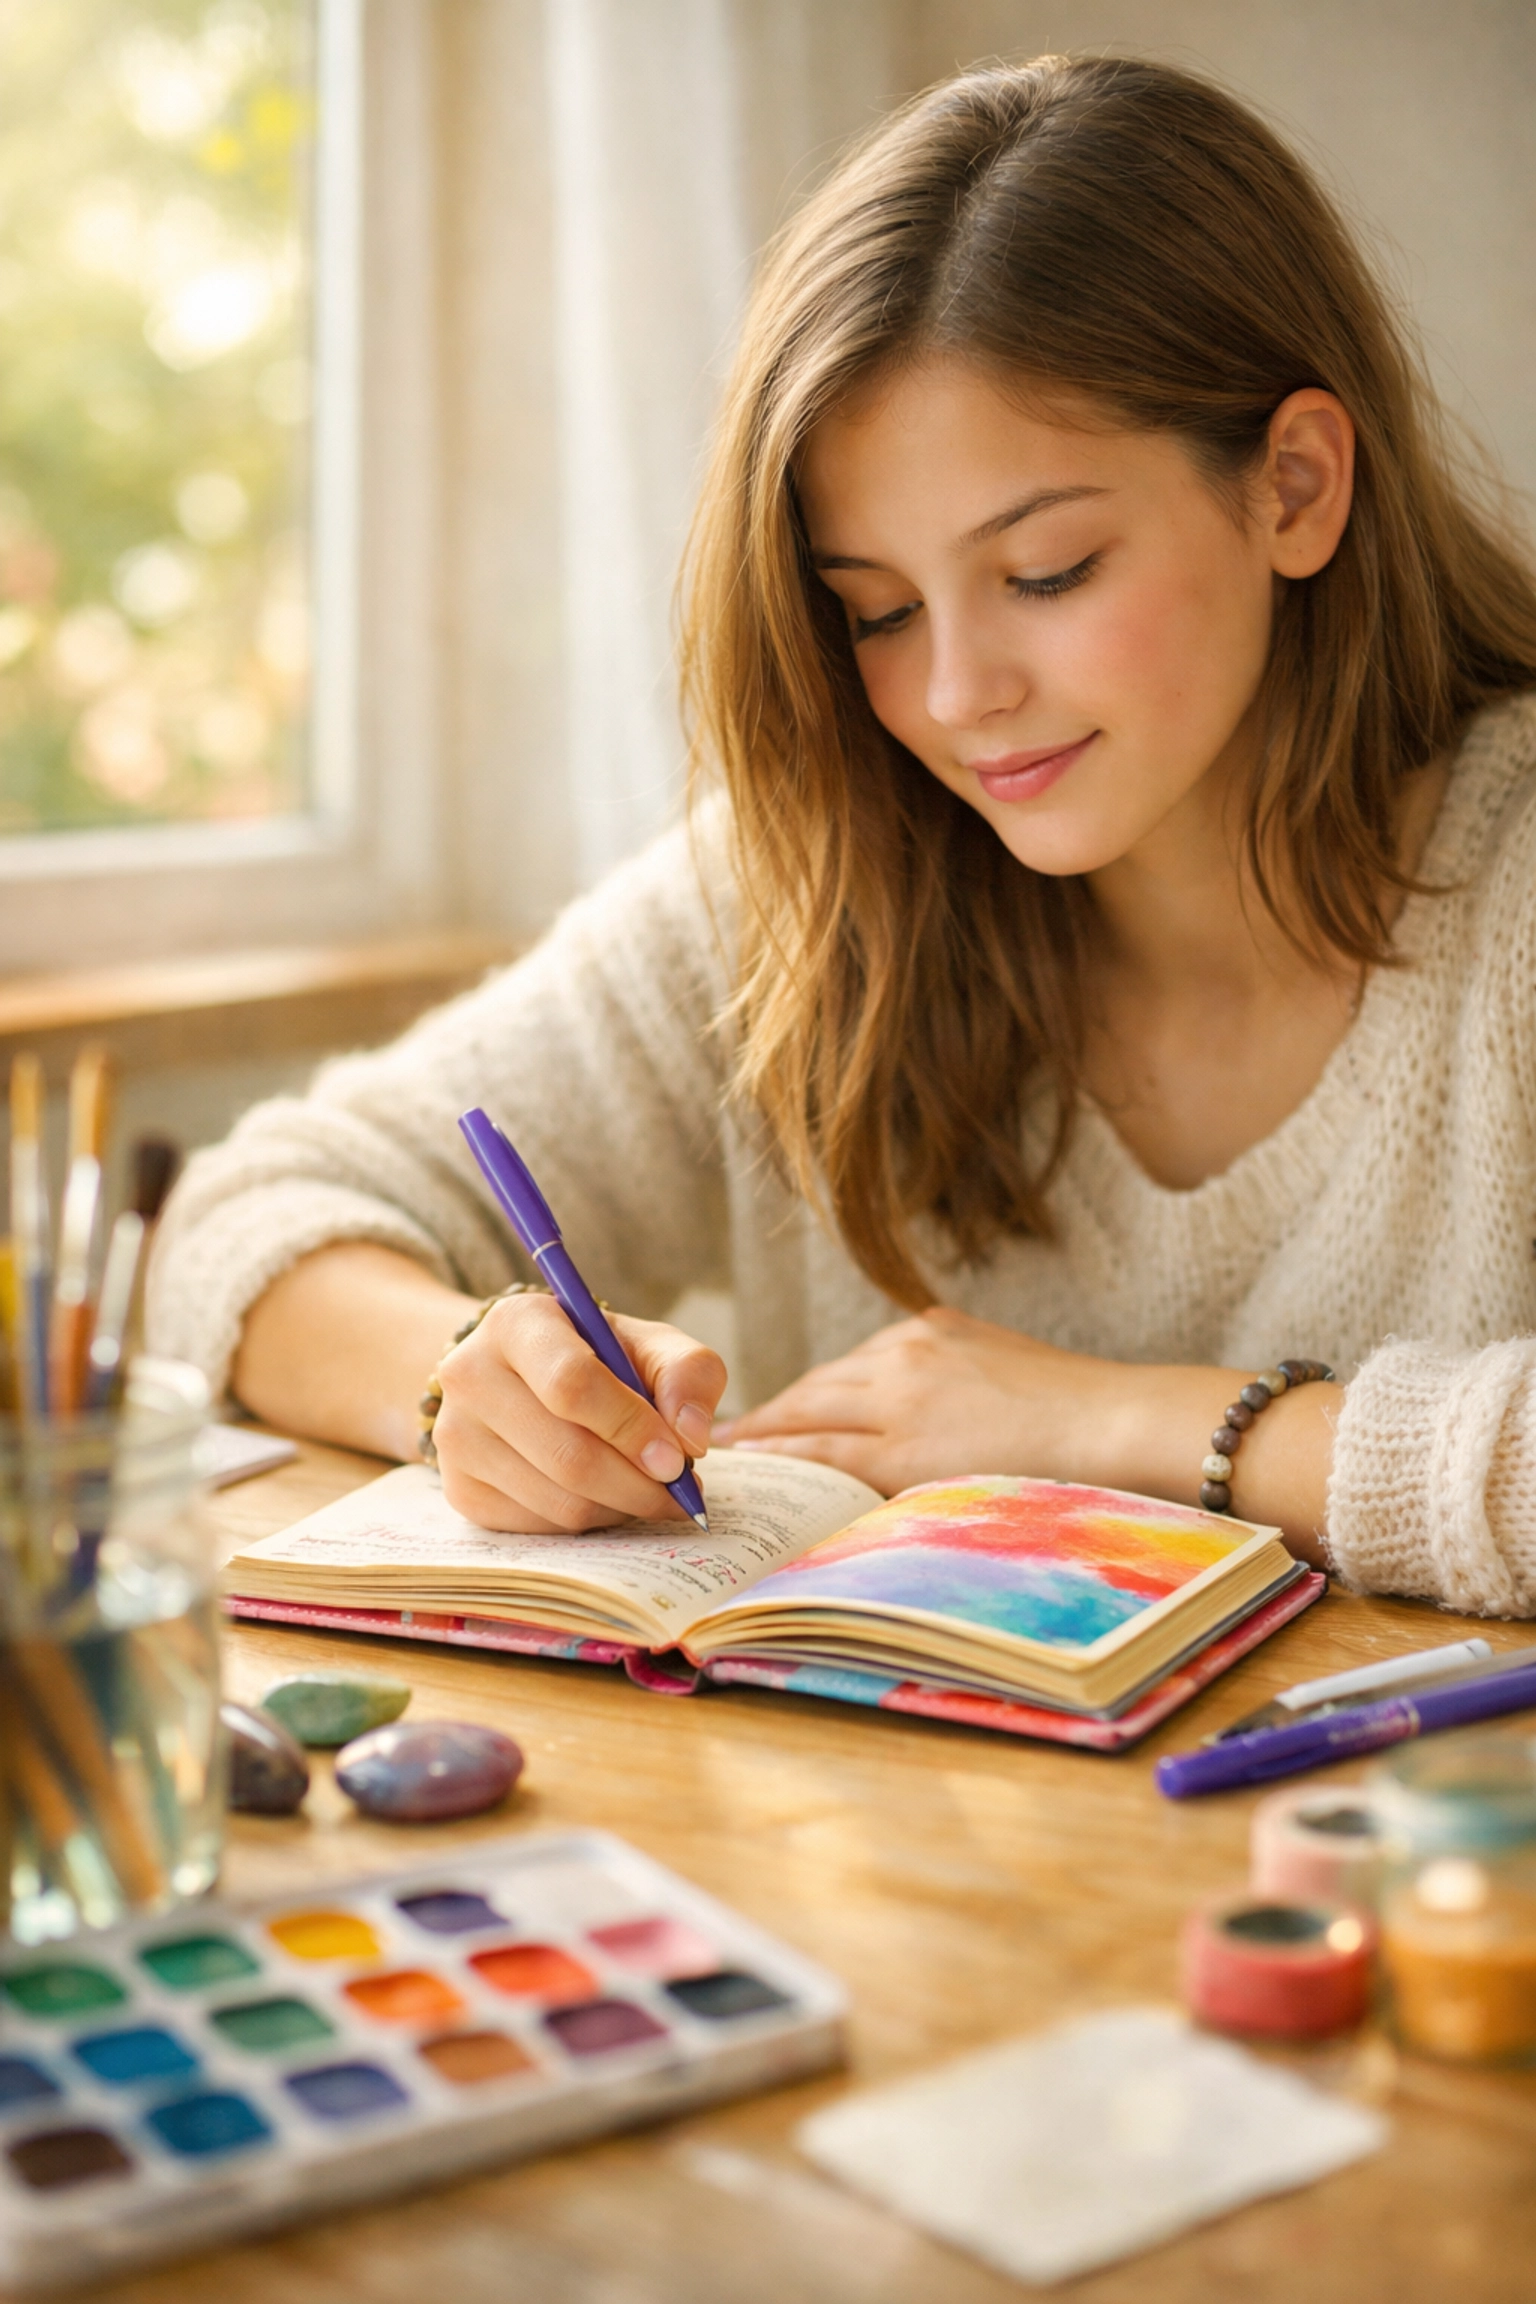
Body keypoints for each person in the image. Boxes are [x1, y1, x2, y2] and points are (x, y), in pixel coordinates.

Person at [150, 54, 1536, 1615]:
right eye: (872, 608)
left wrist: (1116, 1423)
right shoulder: (815, 875)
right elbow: (242, 1221)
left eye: (1050, 571)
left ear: (1294, 486)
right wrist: (464, 1373)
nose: (955, 696)